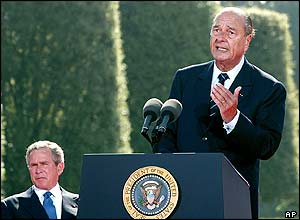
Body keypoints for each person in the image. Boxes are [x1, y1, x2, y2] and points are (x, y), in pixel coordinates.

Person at [154, 7, 286, 219]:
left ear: (247, 41)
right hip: (180, 198)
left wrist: (233, 119)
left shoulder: (269, 88)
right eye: (216, 30)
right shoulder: (185, 78)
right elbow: (168, 134)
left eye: (230, 32)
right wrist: (170, 172)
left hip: (232, 203)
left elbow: (267, 146)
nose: (221, 38)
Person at [1, 140, 79, 219]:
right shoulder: (9, 207)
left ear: (60, 167)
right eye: (34, 165)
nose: (38, 171)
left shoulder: (81, 204)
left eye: (44, 164)